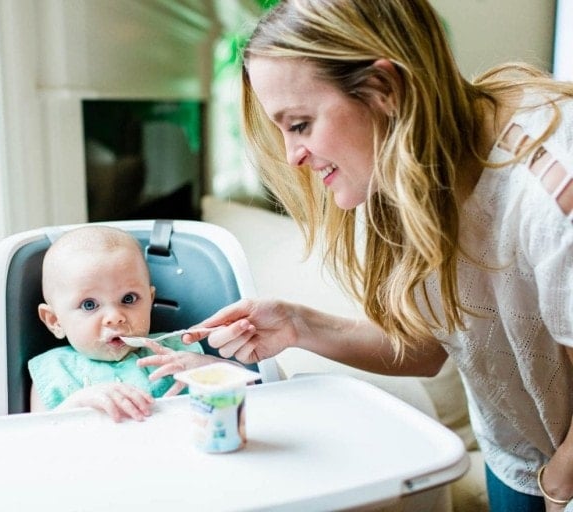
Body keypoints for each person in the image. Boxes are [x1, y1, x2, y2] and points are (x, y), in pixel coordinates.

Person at [184, 1, 573, 510]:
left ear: (383, 90)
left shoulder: (550, 195)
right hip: (518, 453)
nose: (291, 156)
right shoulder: (401, 172)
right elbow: (431, 348)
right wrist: (297, 325)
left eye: (299, 124)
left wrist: (557, 488)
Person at [28, 225, 224, 422]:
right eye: (89, 305)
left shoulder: (177, 353)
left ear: (150, 300)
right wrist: (77, 404)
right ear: (55, 321)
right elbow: (37, 438)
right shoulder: (53, 372)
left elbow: (247, 391)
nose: (114, 317)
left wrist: (208, 367)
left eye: (129, 299)